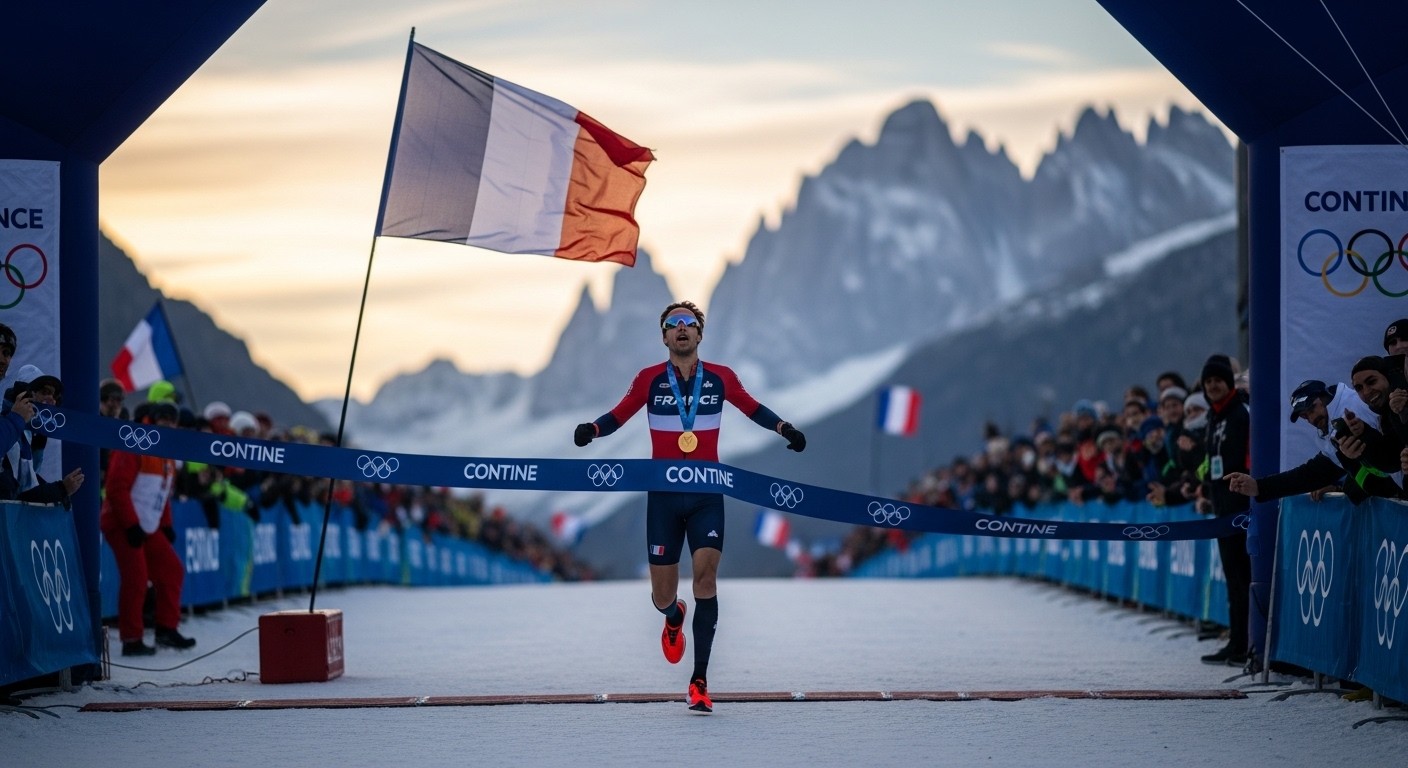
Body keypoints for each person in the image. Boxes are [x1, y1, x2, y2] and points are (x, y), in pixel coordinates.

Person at [573, 300, 805, 713]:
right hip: (662, 498)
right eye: (673, 324)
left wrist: (784, 427)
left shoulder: (721, 378)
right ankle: (673, 615)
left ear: (700, 334)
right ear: (663, 336)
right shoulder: (647, 379)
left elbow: (753, 408)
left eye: (689, 323)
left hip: (705, 496)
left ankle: (699, 681)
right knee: (662, 596)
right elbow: (620, 415)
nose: (681, 328)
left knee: (706, 579)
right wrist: (592, 430)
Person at [101, 399, 197, 656]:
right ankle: (132, 639)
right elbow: (116, 488)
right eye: (163, 418)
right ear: (152, 419)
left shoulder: (166, 453)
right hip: (122, 522)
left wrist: (165, 525)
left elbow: (160, 495)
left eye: (172, 419)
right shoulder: (135, 444)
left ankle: (166, 629)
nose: (168, 423)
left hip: (146, 525)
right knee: (137, 578)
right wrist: (131, 525)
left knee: (171, 570)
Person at [1195, 356, 1251, 666]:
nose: (1213, 386)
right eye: (1208, 382)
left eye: (1218, 380)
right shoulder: (1214, 417)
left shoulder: (1239, 414)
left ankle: (1245, 643)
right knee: (1232, 577)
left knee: (1243, 576)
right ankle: (1236, 640)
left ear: (1228, 382)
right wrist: (1205, 484)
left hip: (1239, 508)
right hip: (1221, 506)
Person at [0, 366, 82, 504]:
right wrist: (62, 489)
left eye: (54, 396)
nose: (52, 400)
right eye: (45, 392)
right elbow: (23, 492)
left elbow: (27, 483)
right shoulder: (12, 432)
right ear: (24, 396)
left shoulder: (29, 436)